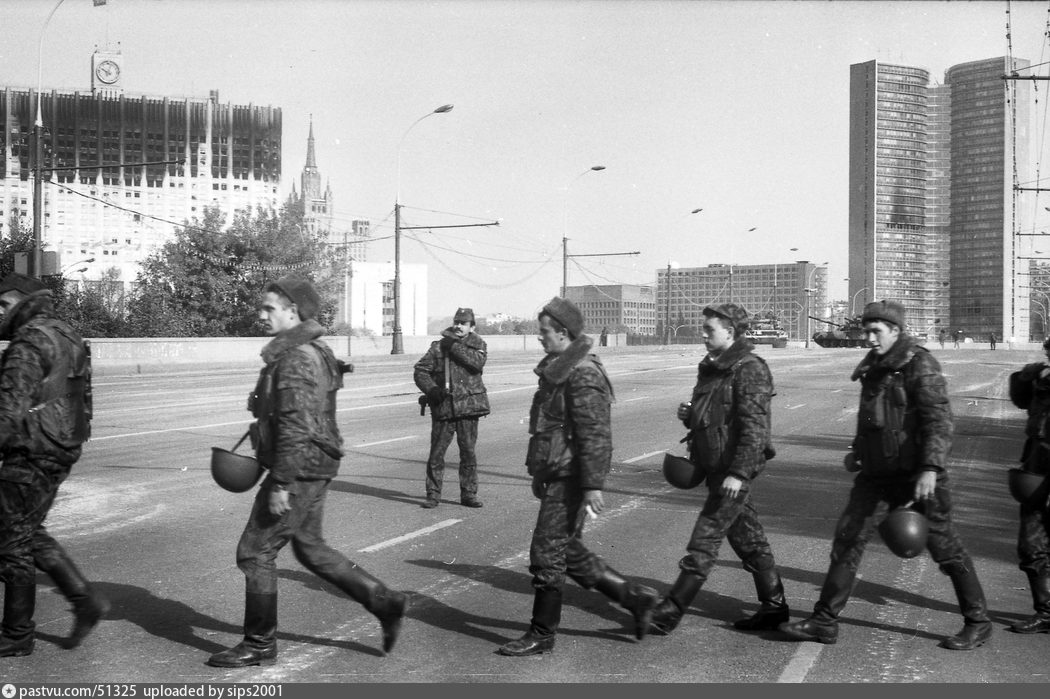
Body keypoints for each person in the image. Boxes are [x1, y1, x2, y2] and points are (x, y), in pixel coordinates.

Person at [208, 276, 407, 668]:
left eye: (269, 308)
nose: (261, 314)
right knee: (310, 547)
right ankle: (385, 602)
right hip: (315, 463)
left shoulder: (297, 357)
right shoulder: (310, 349)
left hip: (299, 468)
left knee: (256, 551)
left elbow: (297, 426)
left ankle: (260, 643)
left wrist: (280, 482)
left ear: (293, 312)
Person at [779, 300, 992, 651]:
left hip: (917, 476)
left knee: (945, 548)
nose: (870, 337)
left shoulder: (919, 364)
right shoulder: (875, 367)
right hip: (876, 476)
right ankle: (824, 621)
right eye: (867, 331)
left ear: (895, 331)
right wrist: (858, 452)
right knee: (847, 539)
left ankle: (978, 622)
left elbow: (939, 420)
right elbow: (873, 421)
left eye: (876, 331)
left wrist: (931, 468)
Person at [497, 297, 658, 656]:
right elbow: (547, 427)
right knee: (566, 550)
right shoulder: (558, 368)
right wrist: (539, 471)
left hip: (572, 476)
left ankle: (542, 633)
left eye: (544, 332)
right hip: (558, 471)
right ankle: (636, 600)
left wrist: (591, 485)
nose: (539, 338)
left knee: (546, 551)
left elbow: (595, 434)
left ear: (563, 333)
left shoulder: (583, 372)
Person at [648, 303, 788, 636]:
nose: (704, 333)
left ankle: (670, 611)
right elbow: (715, 416)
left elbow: (755, 429)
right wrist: (691, 413)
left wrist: (739, 474)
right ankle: (775, 606)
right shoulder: (711, 367)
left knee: (705, 539)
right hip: (716, 469)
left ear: (731, 331)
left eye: (710, 329)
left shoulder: (750, 368)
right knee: (748, 537)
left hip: (731, 473)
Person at [0, 273, 106, 657]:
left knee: (10, 540)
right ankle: (84, 600)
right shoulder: (68, 334)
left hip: (30, 449)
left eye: (2, 304)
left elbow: (8, 409)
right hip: (62, 446)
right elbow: (85, 397)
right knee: (27, 529)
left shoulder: (28, 341)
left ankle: (16, 634)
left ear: (17, 302)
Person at [413, 307, 490, 509]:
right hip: (444, 408)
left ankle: (469, 494)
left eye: (463, 323)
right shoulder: (438, 347)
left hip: (468, 408)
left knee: (468, 453)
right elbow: (421, 370)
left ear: (471, 327)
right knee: (436, 454)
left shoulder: (478, 344)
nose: (458, 326)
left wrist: (453, 346)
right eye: (456, 321)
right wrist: (432, 390)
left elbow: (477, 363)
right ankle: (432, 494)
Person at [1005, 338, 1050, 633]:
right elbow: (1020, 399)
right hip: (1037, 467)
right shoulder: (1041, 380)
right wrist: (1027, 377)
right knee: (1031, 544)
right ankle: (1045, 612)